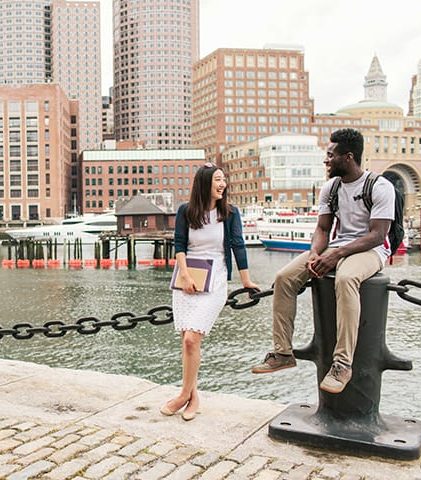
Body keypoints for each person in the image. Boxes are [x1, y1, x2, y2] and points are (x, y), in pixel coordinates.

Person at [251, 128, 395, 394]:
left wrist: (336, 254)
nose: (326, 160)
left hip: (371, 251)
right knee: (284, 278)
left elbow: (378, 235)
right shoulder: (331, 188)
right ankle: (283, 353)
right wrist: (316, 253)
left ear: (348, 157)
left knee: (346, 277)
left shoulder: (379, 186)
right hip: (336, 247)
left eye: (330, 155)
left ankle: (342, 364)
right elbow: (322, 229)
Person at [161, 162, 259, 420]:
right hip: (187, 278)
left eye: (223, 179)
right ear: (204, 183)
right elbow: (180, 244)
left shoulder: (230, 213)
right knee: (186, 343)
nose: (222, 184)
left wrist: (246, 281)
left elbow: (238, 245)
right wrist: (183, 274)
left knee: (193, 339)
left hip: (215, 278)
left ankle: (182, 395)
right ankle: (194, 399)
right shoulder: (186, 211)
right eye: (217, 179)